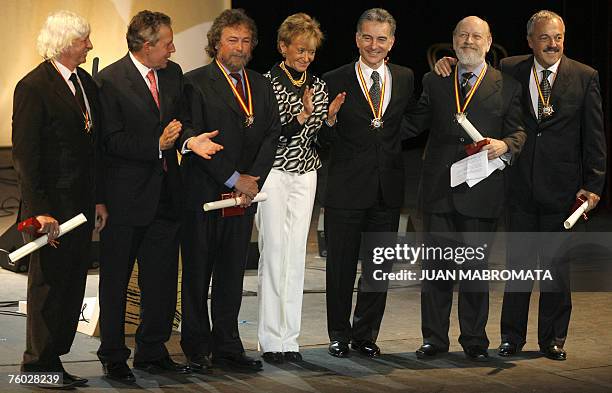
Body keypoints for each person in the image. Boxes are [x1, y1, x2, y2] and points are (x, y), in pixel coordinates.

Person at [434, 10, 606, 361]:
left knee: (556, 269)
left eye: (558, 37)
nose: (552, 44)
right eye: (544, 38)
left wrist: (594, 184)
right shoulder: (511, 68)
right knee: (519, 266)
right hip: (517, 188)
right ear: (530, 41)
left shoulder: (585, 76)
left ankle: (553, 339)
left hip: (563, 189)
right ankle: (511, 337)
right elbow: (474, 66)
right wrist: (450, 62)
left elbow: (595, 136)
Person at [95, 10, 221, 383]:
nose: (173, 48)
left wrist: (188, 141)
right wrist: (156, 144)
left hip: (167, 195)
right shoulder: (109, 81)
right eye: (167, 43)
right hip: (125, 198)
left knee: (162, 279)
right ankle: (114, 355)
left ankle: (152, 349)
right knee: (116, 281)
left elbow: (179, 124)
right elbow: (110, 141)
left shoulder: (172, 73)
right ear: (147, 46)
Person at [407, 16, 526, 361]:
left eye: (476, 36)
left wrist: (506, 145)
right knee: (436, 272)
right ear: (453, 40)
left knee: (475, 272)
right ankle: (434, 339)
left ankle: (474, 340)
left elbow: (519, 132)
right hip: (438, 190)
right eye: (463, 35)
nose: (469, 41)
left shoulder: (507, 85)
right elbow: (416, 121)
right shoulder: (435, 79)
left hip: (482, 189)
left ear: (489, 43)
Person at [179, 9, 281, 373]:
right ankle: (195, 349)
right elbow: (193, 137)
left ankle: (227, 346)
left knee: (231, 275)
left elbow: (272, 134)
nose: (239, 48)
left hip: (244, 198)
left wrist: (253, 179)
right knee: (196, 275)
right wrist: (232, 177)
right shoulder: (193, 83)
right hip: (205, 195)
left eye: (245, 41)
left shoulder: (261, 84)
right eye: (232, 40)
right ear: (216, 43)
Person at [12, 10, 107, 389]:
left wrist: (98, 200)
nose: (89, 45)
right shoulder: (33, 86)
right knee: (48, 286)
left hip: (82, 205)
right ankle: (36, 365)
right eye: (84, 39)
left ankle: (54, 360)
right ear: (66, 42)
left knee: (71, 286)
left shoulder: (84, 82)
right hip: (51, 209)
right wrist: (39, 211)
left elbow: (93, 148)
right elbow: (25, 155)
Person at [320, 8, 416, 359]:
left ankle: (365, 334)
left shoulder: (405, 77)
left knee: (378, 269)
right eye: (367, 37)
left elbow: (417, 118)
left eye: (381, 38)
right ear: (357, 39)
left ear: (391, 42)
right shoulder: (333, 79)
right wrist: (329, 121)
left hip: (387, 191)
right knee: (341, 268)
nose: (373, 45)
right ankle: (338, 335)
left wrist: (389, 137)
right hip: (345, 189)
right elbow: (319, 139)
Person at [255, 13, 345, 364]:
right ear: (282, 47)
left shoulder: (319, 86)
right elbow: (269, 137)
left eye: (311, 51)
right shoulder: (266, 84)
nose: (305, 57)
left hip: (306, 175)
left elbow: (323, 141)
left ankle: (289, 340)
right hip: (274, 175)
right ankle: (270, 339)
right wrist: (300, 118)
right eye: (300, 49)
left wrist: (331, 119)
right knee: (274, 254)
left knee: (296, 256)